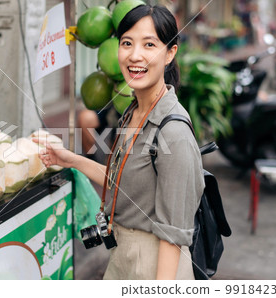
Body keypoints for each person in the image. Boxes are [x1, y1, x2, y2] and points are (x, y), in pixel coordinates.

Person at [36, 4, 204, 280]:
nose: (135, 55)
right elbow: (123, 181)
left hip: (157, 265)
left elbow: (173, 235)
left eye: (149, 44)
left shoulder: (173, 131)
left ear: (170, 53)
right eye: (127, 43)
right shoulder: (133, 112)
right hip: (122, 258)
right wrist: (70, 159)